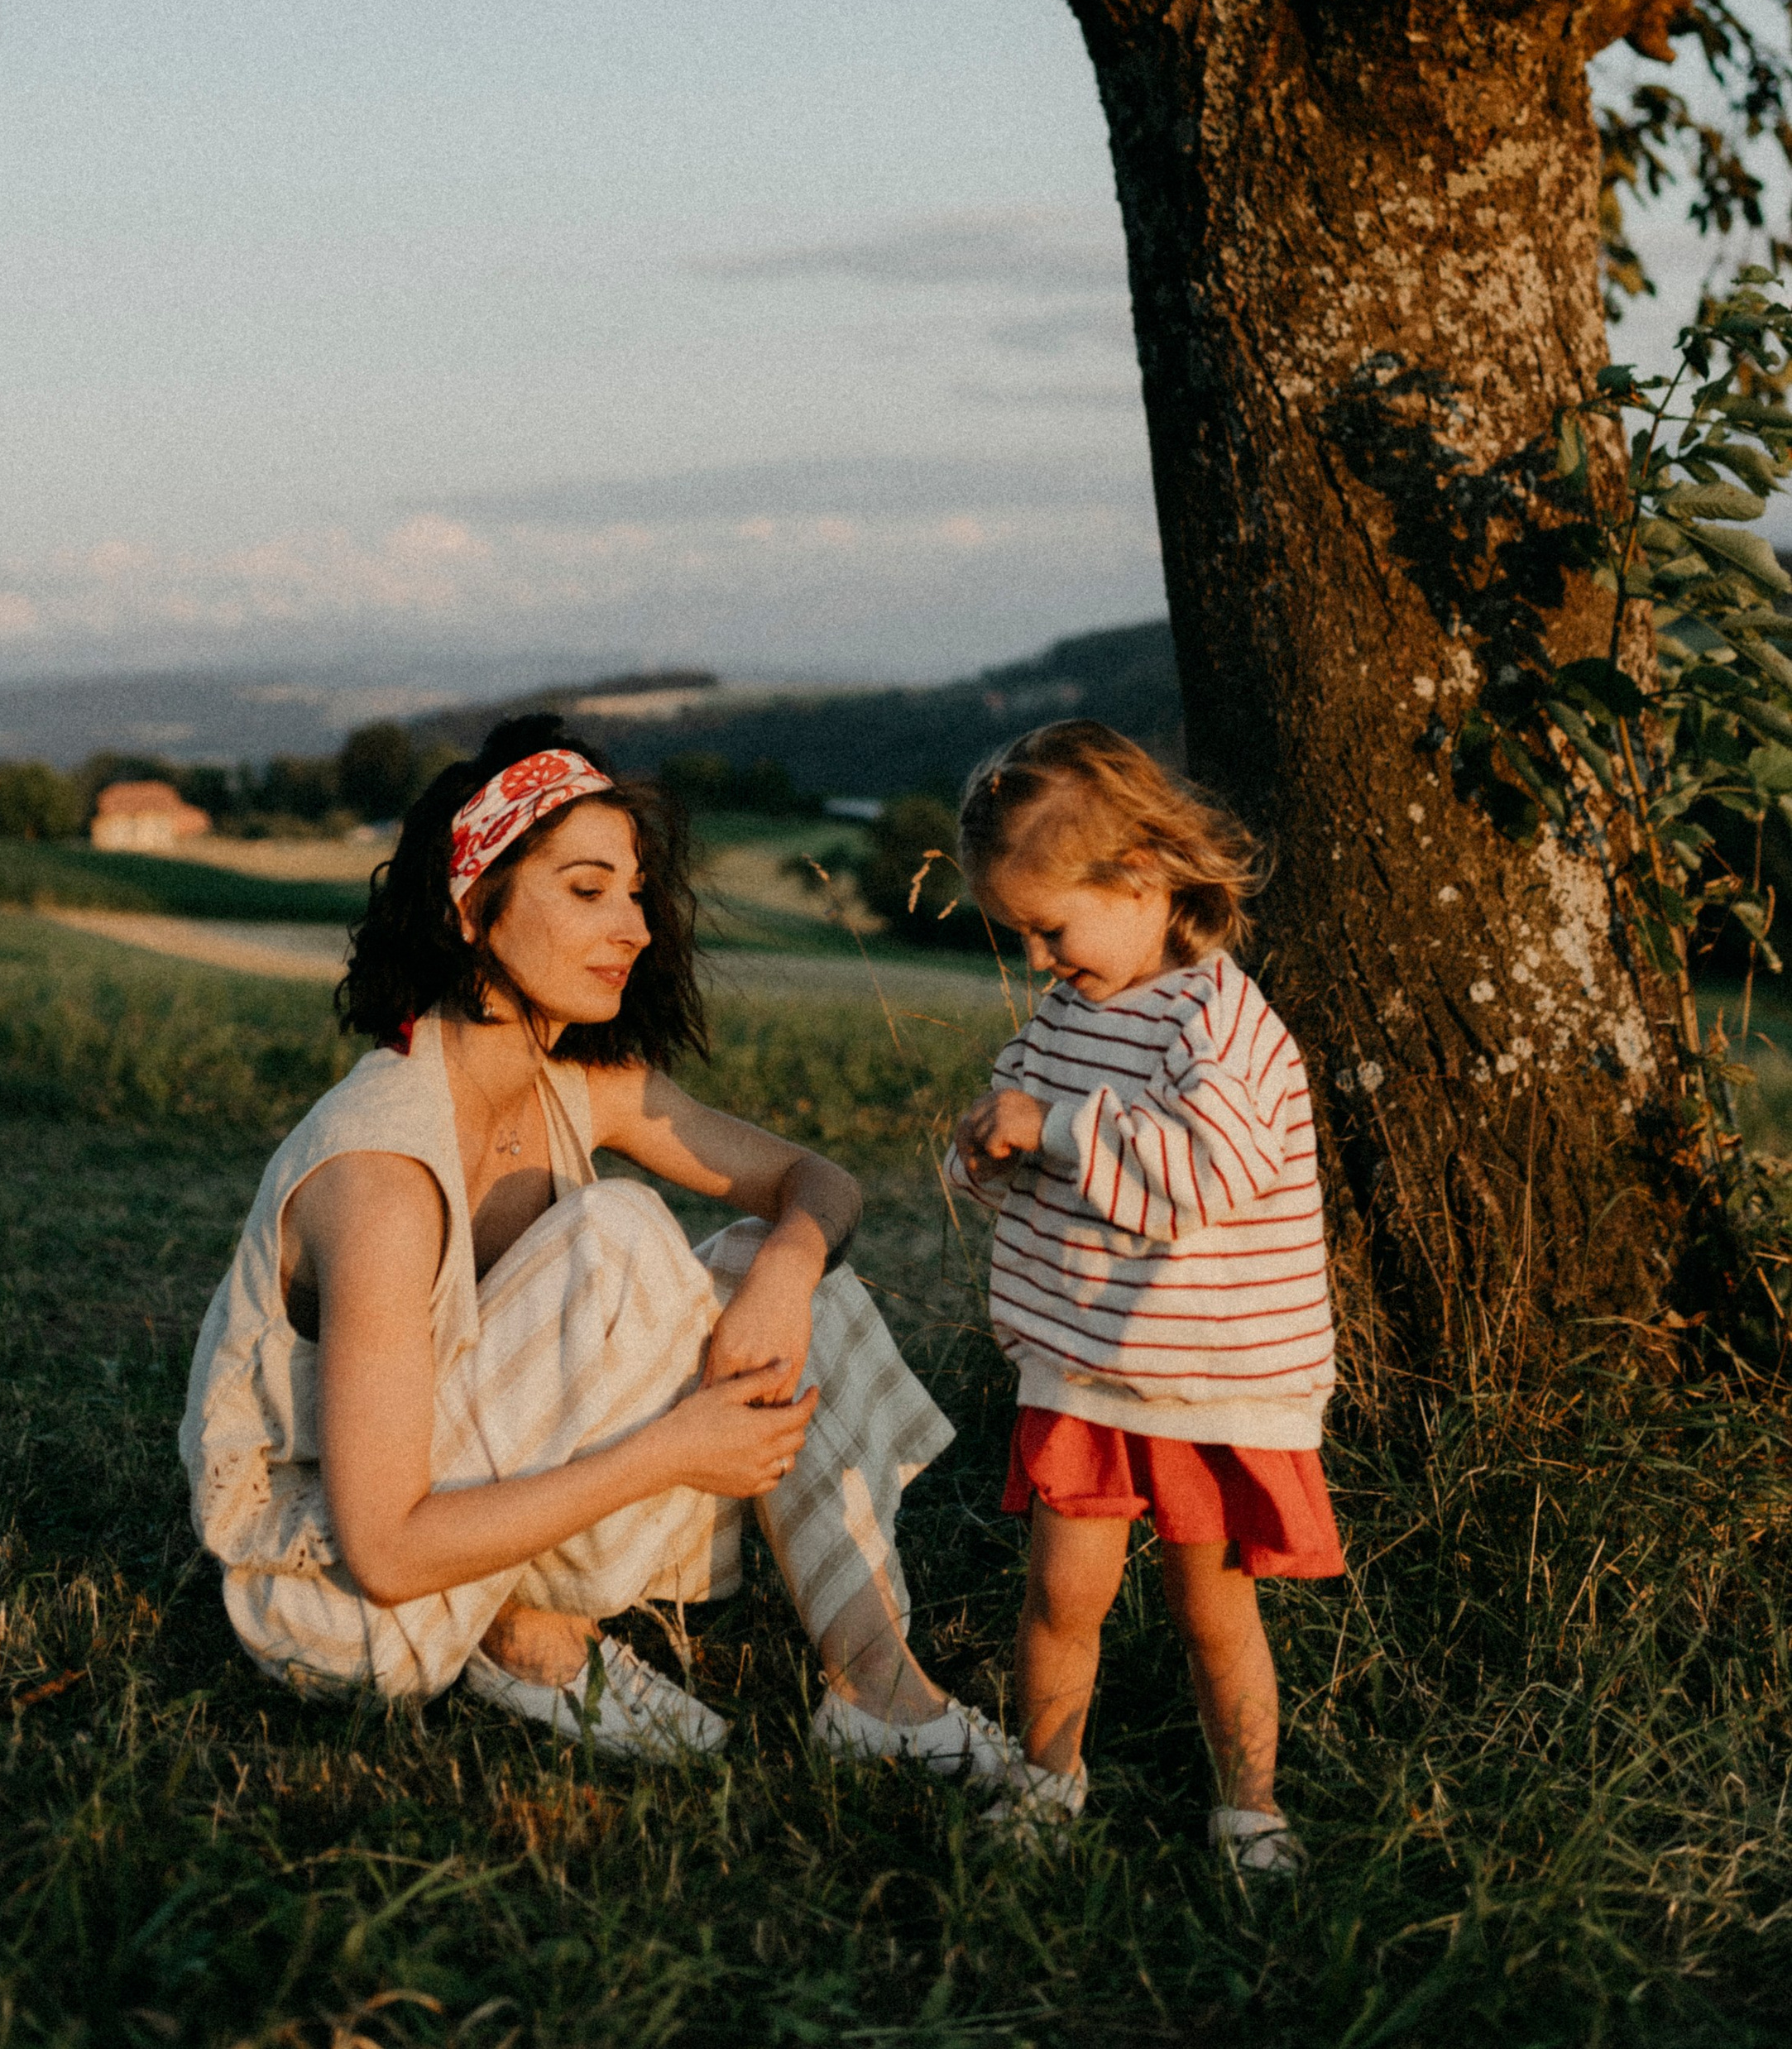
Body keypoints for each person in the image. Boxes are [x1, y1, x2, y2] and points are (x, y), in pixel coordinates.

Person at [182, 715, 1010, 1773]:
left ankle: (879, 1692)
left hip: (464, 1527)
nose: (634, 925)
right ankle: (530, 1637)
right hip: (345, 1615)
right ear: (471, 905)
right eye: (586, 890)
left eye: (632, 891)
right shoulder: (382, 1176)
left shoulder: (575, 1083)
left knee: (786, 1267)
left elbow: (821, 1184)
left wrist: (788, 1269)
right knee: (617, 1227)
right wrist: (668, 1454)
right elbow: (385, 1552)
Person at [943, 718, 1340, 1874]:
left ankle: (1251, 1804)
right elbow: (1025, 1112)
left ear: (1143, 877)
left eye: (1050, 928)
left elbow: (1199, 1175)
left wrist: (1056, 1128)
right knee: (1062, 1593)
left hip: (1204, 1373)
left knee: (1214, 1612)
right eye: (1022, 936)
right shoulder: (1069, 1013)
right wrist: (988, 1147)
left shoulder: (1222, 1023)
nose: (1040, 961)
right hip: (1087, 1362)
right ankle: (1046, 1778)